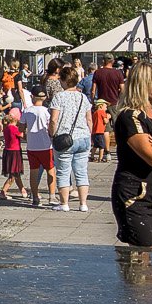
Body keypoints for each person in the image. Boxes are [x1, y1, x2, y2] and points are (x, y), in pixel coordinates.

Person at [110, 65, 152, 249]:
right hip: (135, 195)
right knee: (144, 253)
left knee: (145, 259)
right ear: (143, 86)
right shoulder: (130, 117)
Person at [47, 69, 95, 211]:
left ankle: (64, 203)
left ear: (62, 80)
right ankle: (83, 204)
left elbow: (54, 120)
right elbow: (89, 119)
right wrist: (89, 135)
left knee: (63, 171)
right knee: (81, 172)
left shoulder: (59, 97)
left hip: (65, 138)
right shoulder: (83, 97)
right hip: (84, 137)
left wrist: (52, 134)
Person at [19, 86, 54, 207]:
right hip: (45, 144)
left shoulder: (27, 111)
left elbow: (21, 128)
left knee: (33, 171)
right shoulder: (46, 111)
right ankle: (52, 196)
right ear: (44, 98)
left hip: (32, 145)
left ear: (32, 96)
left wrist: (26, 136)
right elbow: (51, 126)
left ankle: (35, 196)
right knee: (51, 170)